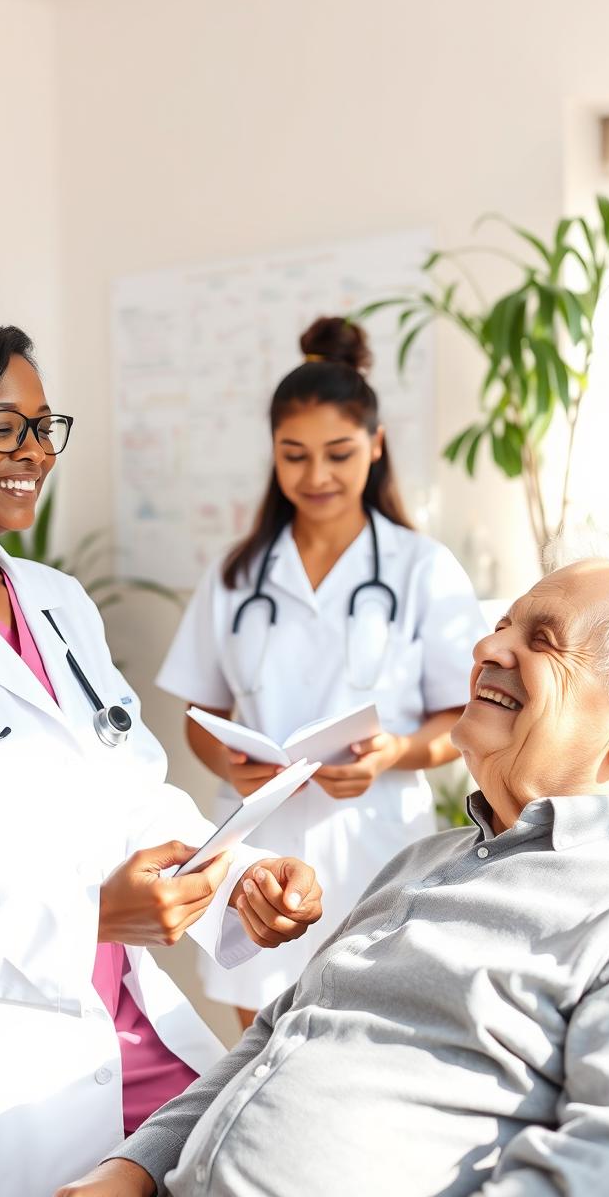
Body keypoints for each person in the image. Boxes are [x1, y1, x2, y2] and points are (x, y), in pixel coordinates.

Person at [60, 556, 609, 1197]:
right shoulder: (424, 863)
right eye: (502, 625)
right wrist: (130, 1170)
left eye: (543, 641)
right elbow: (274, 1034)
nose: (488, 646)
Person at [0, 319, 322, 1197]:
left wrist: (240, 878)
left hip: (128, 1034)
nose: (35, 452)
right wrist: (92, 920)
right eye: (4, 426)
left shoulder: (55, 601)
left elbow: (134, 793)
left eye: (44, 427)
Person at [156, 316, 487, 1026]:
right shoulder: (238, 574)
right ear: (273, 455)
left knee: (371, 1036)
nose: (317, 476)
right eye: (294, 455)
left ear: (375, 444)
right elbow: (197, 714)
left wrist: (397, 752)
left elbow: (463, 717)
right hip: (258, 854)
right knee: (253, 1057)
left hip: (375, 843)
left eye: (338, 453)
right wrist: (231, 759)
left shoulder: (421, 569)